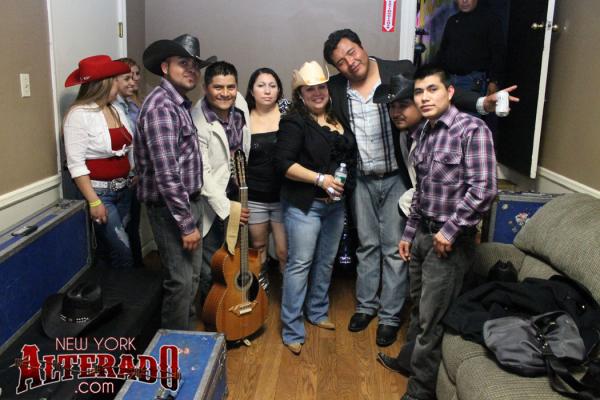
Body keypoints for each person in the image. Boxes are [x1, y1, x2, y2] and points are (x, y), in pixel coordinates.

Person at [322, 28, 513, 347]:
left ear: (361, 46)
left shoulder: (399, 69)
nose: (350, 62)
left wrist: (481, 102)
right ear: (336, 68)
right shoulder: (336, 88)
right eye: (340, 62)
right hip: (362, 179)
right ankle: (366, 306)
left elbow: (437, 91)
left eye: (351, 52)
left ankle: (389, 316)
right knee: (365, 245)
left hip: (396, 175)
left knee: (394, 247)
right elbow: (311, 106)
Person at [398, 65, 497, 400]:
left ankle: (419, 393)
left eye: (432, 89)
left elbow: (484, 189)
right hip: (423, 236)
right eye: (419, 92)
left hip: (449, 243)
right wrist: (408, 234)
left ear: (450, 92)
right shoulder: (423, 134)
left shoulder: (472, 129)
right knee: (418, 309)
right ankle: (409, 365)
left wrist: (450, 231)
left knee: (432, 321)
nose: (424, 98)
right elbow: (421, 192)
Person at [275, 61, 356, 355]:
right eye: (310, 89)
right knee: (300, 264)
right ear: (300, 93)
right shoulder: (294, 122)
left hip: (335, 206)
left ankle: (318, 311)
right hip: (305, 207)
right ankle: (292, 329)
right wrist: (320, 179)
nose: (318, 93)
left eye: (322, 87)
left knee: (326, 261)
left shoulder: (337, 118)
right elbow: (283, 164)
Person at [135, 33, 214, 330]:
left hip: (188, 202)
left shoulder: (178, 103)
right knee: (180, 282)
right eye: (183, 63)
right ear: (165, 67)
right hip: (171, 209)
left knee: (191, 277)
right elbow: (167, 173)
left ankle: (186, 335)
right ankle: (173, 345)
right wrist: (186, 224)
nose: (191, 69)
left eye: (195, 65)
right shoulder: (162, 107)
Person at [63, 55, 134, 269]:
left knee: (110, 250)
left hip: (124, 191)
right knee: (123, 253)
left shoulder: (115, 108)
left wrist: (134, 173)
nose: (119, 84)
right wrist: (94, 202)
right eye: (115, 79)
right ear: (104, 83)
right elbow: (76, 164)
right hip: (101, 195)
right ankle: (122, 289)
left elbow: (128, 147)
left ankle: (110, 289)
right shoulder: (79, 114)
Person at [191, 61, 251, 305]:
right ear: (205, 88)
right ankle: (213, 315)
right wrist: (228, 209)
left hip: (235, 193)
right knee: (211, 262)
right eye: (218, 87)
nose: (225, 93)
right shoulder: (198, 121)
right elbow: (202, 173)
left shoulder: (240, 107)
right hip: (211, 200)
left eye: (231, 87)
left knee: (233, 256)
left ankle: (234, 307)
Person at [245, 68, 289, 282]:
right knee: (258, 246)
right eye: (261, 85)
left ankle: (289, 293)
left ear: (279, 90)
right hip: (255, 197)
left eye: (272, 86)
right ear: (251, 90)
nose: (267, 91)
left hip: (284, 196)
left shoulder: (288, 114)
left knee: (284, 250)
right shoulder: (243, 118)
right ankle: (260, 292)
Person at [434, 0, 505, 96]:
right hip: (448, 79)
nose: (464, 1)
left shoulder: (490, 20)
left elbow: (498, 53)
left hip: (473, 81)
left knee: (471, 106)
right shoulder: (452, 21)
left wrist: (494, 81)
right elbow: (443, 51)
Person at [114, 57, 144, 268]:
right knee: (120, 231)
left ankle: (137, 271)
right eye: (127, 76)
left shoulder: (137, 105)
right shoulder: (112, 107)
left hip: (136, 176)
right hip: (118, 178)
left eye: (136, 74)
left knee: (133, 226)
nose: (133, 80)